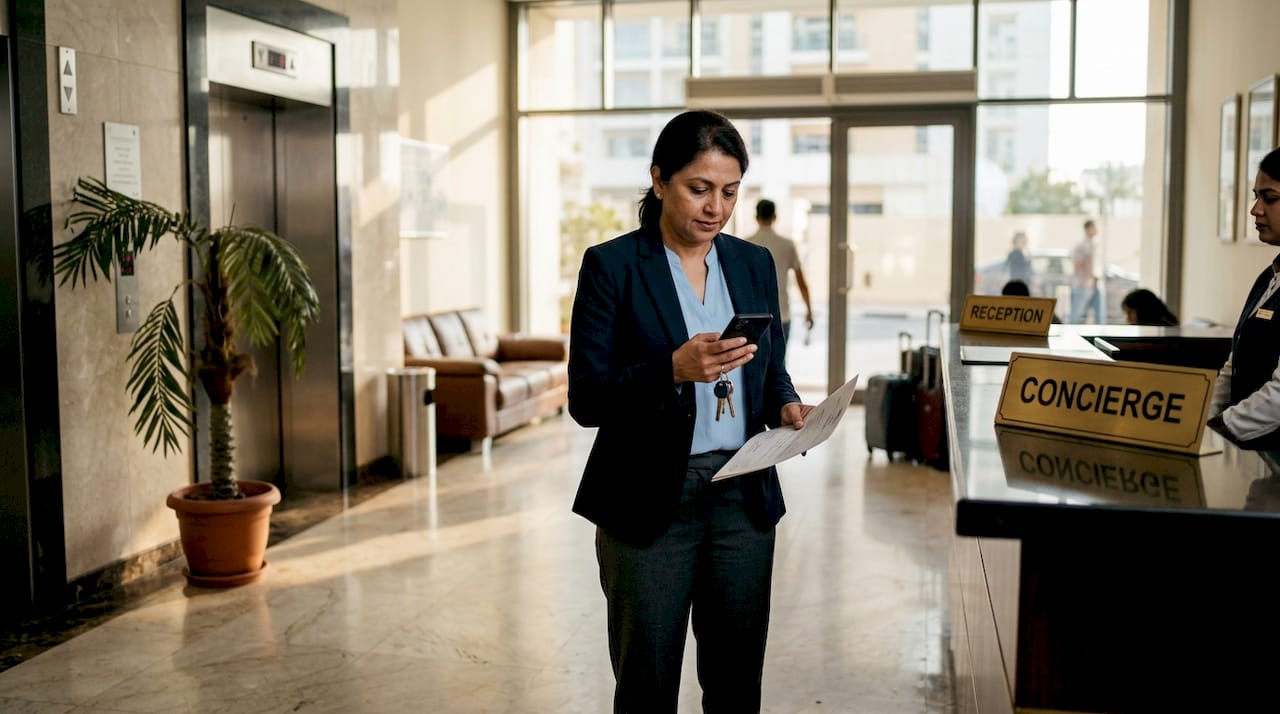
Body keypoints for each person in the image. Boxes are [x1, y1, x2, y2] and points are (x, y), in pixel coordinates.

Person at [567, 109, 815, 713]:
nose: (716, 207)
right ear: (659, 180)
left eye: (729, 192)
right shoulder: (614, 266)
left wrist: (784, 402)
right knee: (647, 685)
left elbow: (768, 361)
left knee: (735, 685)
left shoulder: (753, 264)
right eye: (698, 189)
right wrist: (671, 370)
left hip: (742, 492)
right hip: (650, 499)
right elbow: (586, 397)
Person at [1208, 147, 1280, 449]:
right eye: (1256, 196)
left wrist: (1219, 428)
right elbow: (1234, 364)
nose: (1255, 209)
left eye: (1270, 198)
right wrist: (1201, 418)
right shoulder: (1268, 277)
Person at [748, 198, 814, 344]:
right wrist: (809, 311)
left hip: (753, 316)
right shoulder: (787, 245)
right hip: (781, 314)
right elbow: (801, 282)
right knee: (779, 363)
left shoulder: (745, 244)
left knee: (754, 363)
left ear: (756, 218)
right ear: (775, 217)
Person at [1069, 219, 1103, 323]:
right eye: (1094, 227)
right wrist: (1087, 278)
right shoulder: (1082, 245)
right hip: (1082, 284)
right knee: (1077, 313)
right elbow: (1078, 264)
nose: (1096, 230)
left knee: (1097, 313)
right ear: (1088, 229)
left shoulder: (1092, 244)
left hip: (1091, 283)